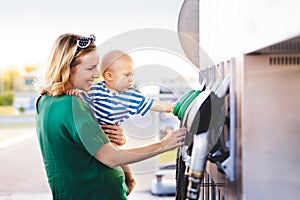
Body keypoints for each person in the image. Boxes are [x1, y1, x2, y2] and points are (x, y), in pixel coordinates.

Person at [35, 33, 186, 200]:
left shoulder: (44, 102)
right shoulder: (73, 105)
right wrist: (164, 145)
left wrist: (109, 138)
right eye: (90, 68)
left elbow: (80, 145)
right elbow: (110, 158)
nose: (96, 73)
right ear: (68, 67)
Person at [66, 50, 176, 192]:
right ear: (109, 76)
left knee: (117, 154)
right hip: (96, 132)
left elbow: (151, 103)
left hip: (110, 135)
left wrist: (171, 108)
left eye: (132, 75)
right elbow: (82, 100)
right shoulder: (95, 90)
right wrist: (74, 92)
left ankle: (130, 180)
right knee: (109, 156)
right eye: (127, 75)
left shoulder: (130, 96)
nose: (131, 79)